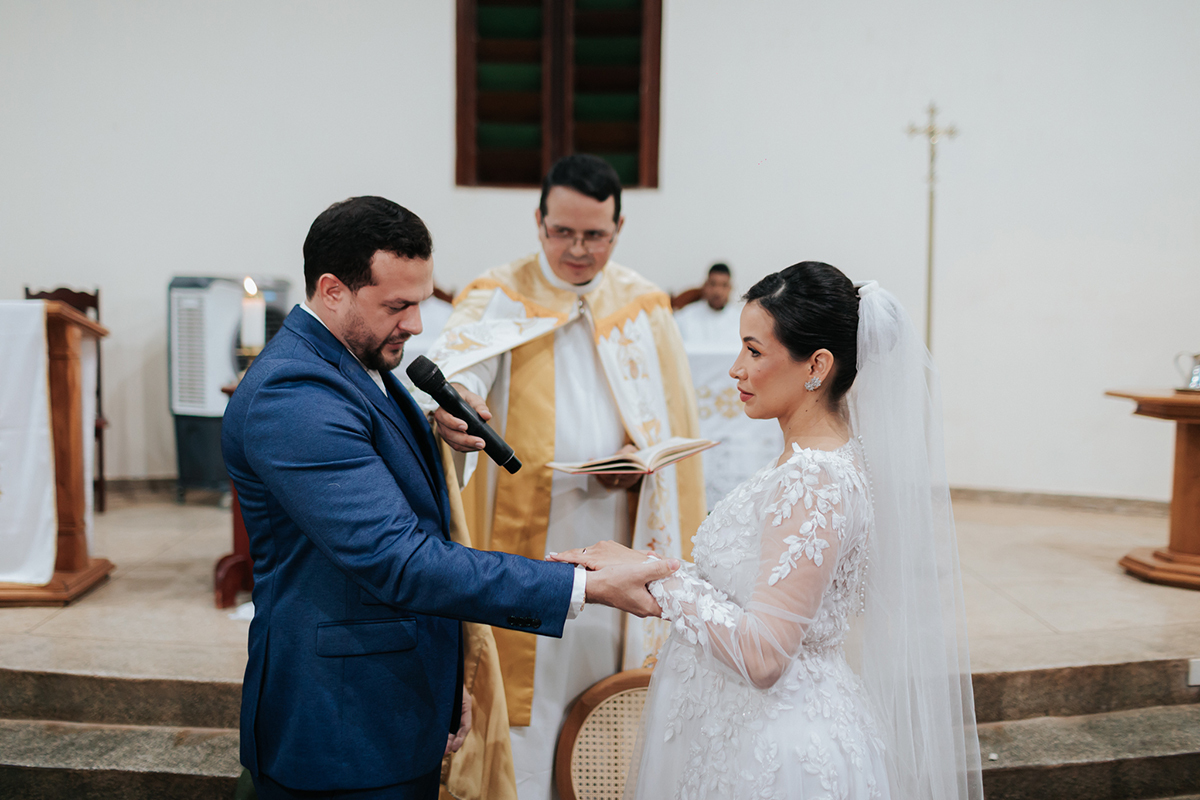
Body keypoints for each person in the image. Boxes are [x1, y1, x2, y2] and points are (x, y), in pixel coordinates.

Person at [221, 196, 680, 800]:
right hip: (338, 719)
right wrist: (581, 586)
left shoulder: (357, 362)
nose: (415, 323)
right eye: (398, 305)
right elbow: (399, 559)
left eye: (420, 301)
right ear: (333, 291)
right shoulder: (294, 393)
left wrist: (442, 678)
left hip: (392, 689)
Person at [552, 262, 984, 799]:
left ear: (816, 366)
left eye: (754, 352)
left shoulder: (815, 479)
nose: (736, 369)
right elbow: (755, 595)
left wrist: (658, 581)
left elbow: (763, 656)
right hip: (742, 729)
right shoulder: (816, 461)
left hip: (776, 753)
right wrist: (645, 566)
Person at [422, 154, 706, 800]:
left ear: (619, 226)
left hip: (617, 538)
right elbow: (456, 370)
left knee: (608, 696)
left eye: (595, 236)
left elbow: (670, 423)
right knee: (531, 703)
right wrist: (456, 406)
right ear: (539, 221)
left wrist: (639, 470)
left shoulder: (643, 306)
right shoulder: (497, 293)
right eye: (562, 233)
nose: (578, 251)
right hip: (527, 546)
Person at [672, 262, 743, 351]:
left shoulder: (742, 319)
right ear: (705, 286)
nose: (718, 291)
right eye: (713, 284)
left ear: (730, 288)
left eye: (724, 285)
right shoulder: (684, 317)